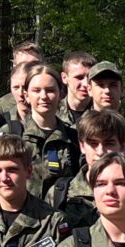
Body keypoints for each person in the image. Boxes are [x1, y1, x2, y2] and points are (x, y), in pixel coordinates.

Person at [14, 65, 82, 201]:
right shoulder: (12, 134)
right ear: (26, 95)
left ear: (61, 94)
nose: (44, 96)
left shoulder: (74, 138)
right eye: (36, 90)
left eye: (50, 90)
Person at [0, 41, 47, 128]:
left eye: (34, 64)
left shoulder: (53, 101)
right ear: (15, 67)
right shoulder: (3, 105)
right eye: (23, 65)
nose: (29, 70)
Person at [58, 49, 95, 126]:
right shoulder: (52, 112)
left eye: (89, 78)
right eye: (79, 77)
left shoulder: (101, 115)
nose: (85, 83)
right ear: (64, 78)